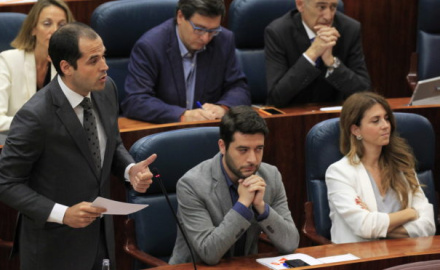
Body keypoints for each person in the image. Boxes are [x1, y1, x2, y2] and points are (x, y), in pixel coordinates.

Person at [0, 22, 157, 270]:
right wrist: (62, 213)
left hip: (100, 237)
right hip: (54, 247)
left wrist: (129, 169)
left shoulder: (106, 89)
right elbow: (4, 183)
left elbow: (111, 144)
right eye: (93, 60)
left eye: (104, 56)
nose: (105, 66)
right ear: (66, 67)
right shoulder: (35, 116)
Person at [169, 106, 299, 265]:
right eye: (243, 150)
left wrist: (261, 207)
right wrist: (243, 205)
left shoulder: (270, 176)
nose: (252, 159)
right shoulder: (191, 185)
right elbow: (209, 253)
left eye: (259, 149)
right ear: (222, 146)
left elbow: (290, 243)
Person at [326, 92, 435, 244]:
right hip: (360, 259)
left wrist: (378, 226)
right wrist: (410, 213)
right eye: (375, 121)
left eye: (386, 118)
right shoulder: (339, 172)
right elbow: (364, 226)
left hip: (405, 252)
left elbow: (428, 225)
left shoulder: (401, 164)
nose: (385, 126)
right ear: (356, 130)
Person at [122, 0, 250, 124]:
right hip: (164, 133)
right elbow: (135, 100)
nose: (205, 38)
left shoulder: (223, 41)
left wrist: (223, 108)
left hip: (210, 131)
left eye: (213, 31)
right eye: (199, 29)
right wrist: (183, 115)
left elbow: (239, 87)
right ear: (180, 16)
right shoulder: (150, 46)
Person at [0, 0, 74, 134]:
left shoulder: (68, 65)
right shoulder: (9, 60)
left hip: (48, 143)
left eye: (62, 25)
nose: (54, 30)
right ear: (33, 28)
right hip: (3, 141)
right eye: (47, 24)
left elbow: (76, 115)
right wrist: (39, 122)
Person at [264, 0, 371, 108]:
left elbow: (365, 93)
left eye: (333, 7)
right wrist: (312, 54)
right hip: (293, 117)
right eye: (321, 7)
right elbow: (275, 98)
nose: (329, 17)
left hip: (335, 117)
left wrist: (331, 62)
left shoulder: (349, 29)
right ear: (300, 5)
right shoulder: (278, 32)